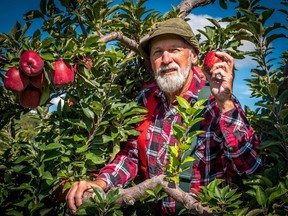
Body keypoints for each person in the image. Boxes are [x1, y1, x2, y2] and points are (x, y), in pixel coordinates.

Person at [66, 17, 262, 215]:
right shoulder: (145, 100)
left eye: (175, 50)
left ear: (193, 56)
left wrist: (225, 102)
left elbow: (250, 169)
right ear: (151, 62)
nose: (166, 59)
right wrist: (100, 183)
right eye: (158, 52)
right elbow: (131, 155)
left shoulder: (215, 100)